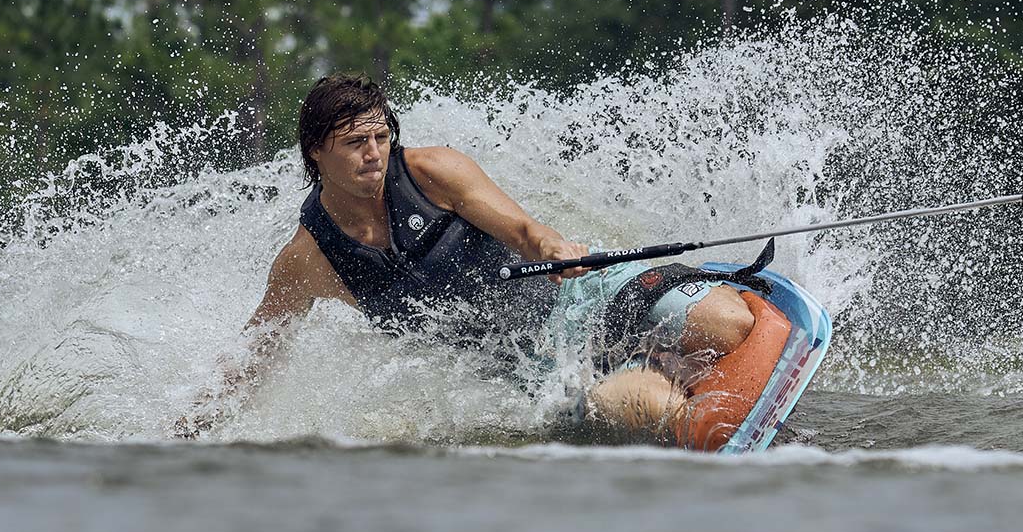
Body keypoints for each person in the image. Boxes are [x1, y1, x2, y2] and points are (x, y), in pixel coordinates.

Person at [178, 73, 759, 443]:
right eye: (356, 143)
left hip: (575, 297)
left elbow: (529, 231)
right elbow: (258, 352)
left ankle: (672, 347)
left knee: (729, 324)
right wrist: (188, 432)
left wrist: (556, 250)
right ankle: (681, 389)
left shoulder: (433, 173)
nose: (375, 154)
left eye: (381, 138)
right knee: (641, 405)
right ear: (316, 153)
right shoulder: (308, 260)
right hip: (536, 368)